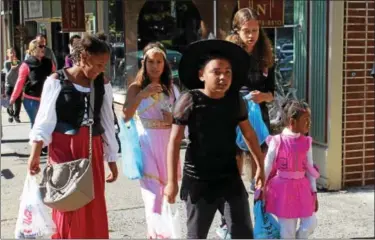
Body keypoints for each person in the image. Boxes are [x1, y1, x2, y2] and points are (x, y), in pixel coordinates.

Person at [164, 39, 265, 239]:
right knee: (196, 235)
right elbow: (174, 142)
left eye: (227, 72)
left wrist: (260, 165)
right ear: (202, 74)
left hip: (229, 178)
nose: (223, 77)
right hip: (198, 182)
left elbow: (249, 134)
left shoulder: (235, 100)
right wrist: (171, 182)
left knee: (243, 233)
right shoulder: (189, 100)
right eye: (216, 71)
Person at [27, 33, 119, 239]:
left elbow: (106, 121)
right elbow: (44, 121)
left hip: (91, 148)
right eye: (97, 64)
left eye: (104, 65)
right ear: (83, 57)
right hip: (63, 149)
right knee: (65, 200)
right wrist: (34, 153)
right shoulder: (56, 80)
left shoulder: (102, 83)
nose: (100, 70)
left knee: (92, 201)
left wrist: (111, 157)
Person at [217, 8, 275, 238]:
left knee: (261, 170)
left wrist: (263, 96)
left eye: (255, 31)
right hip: (234, 115)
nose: (251, 36)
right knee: (233, 171)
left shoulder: (265, 56)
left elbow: (272, 92)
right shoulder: (229, 55)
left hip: (258, 118)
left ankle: (261, 222)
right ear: (237, 31)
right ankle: (227, 223)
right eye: (246, 31)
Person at [122, 42, 181, 238]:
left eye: (159, 62)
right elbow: (126, 116)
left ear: (165, 64)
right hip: (146, 143)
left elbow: (182, 118)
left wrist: (172, 119)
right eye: (150, 62)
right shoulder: (135, 87)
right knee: (153, 193)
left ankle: (163, 233)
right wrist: (142, 95)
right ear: (143, 63)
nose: (155, 66)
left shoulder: (172, 89)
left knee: (166, 193)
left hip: (167, 144)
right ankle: (156, 234)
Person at [264, 99, 319, 239]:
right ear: (292, 122)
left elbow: (310, 168)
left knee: (311, 222)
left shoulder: (307, 142)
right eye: (305, 120)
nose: (309, 123)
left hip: (302, 188)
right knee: (287, 231)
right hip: (283, 190)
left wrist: (314, 192)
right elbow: (267, 165)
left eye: (309, 119)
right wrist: (261, 187)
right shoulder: (277, 141)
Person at [10, 40, 55, 128]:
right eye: (40, 46)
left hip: (46, 99)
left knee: (45, 126)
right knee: (36, 125)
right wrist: (13, 98)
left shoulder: (49, 62)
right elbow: (20, 83)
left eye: (44, 46)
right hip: (31, 100)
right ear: (33, 49)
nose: (43, 48)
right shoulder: (26, 64)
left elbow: (54, 76)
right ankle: (35, 140)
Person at [3, 47, 22, 123]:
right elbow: (7, 76)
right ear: (7, 54)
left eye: (13, 52)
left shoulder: (19, 62)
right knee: (9, 101)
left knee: (18, 102)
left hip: (17, 85)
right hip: (9, 85)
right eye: (10, 52)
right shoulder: (6, 63)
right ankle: (10, 114)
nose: (12, 54)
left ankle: (16, 115)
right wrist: (12, 69)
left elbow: (21, 75)